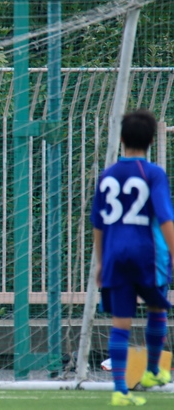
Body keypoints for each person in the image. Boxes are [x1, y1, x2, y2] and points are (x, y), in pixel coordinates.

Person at [91, 109, 174, 406]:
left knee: (120, 322)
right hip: (145, 253)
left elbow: (98, 224)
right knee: (157, 307)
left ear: (122, 139)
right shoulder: (153, 174)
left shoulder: (107, 175)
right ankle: (151, 371)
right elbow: (165, 218)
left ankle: (119, 391)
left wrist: (101, 262)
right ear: (152, 141)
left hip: (114, 255)